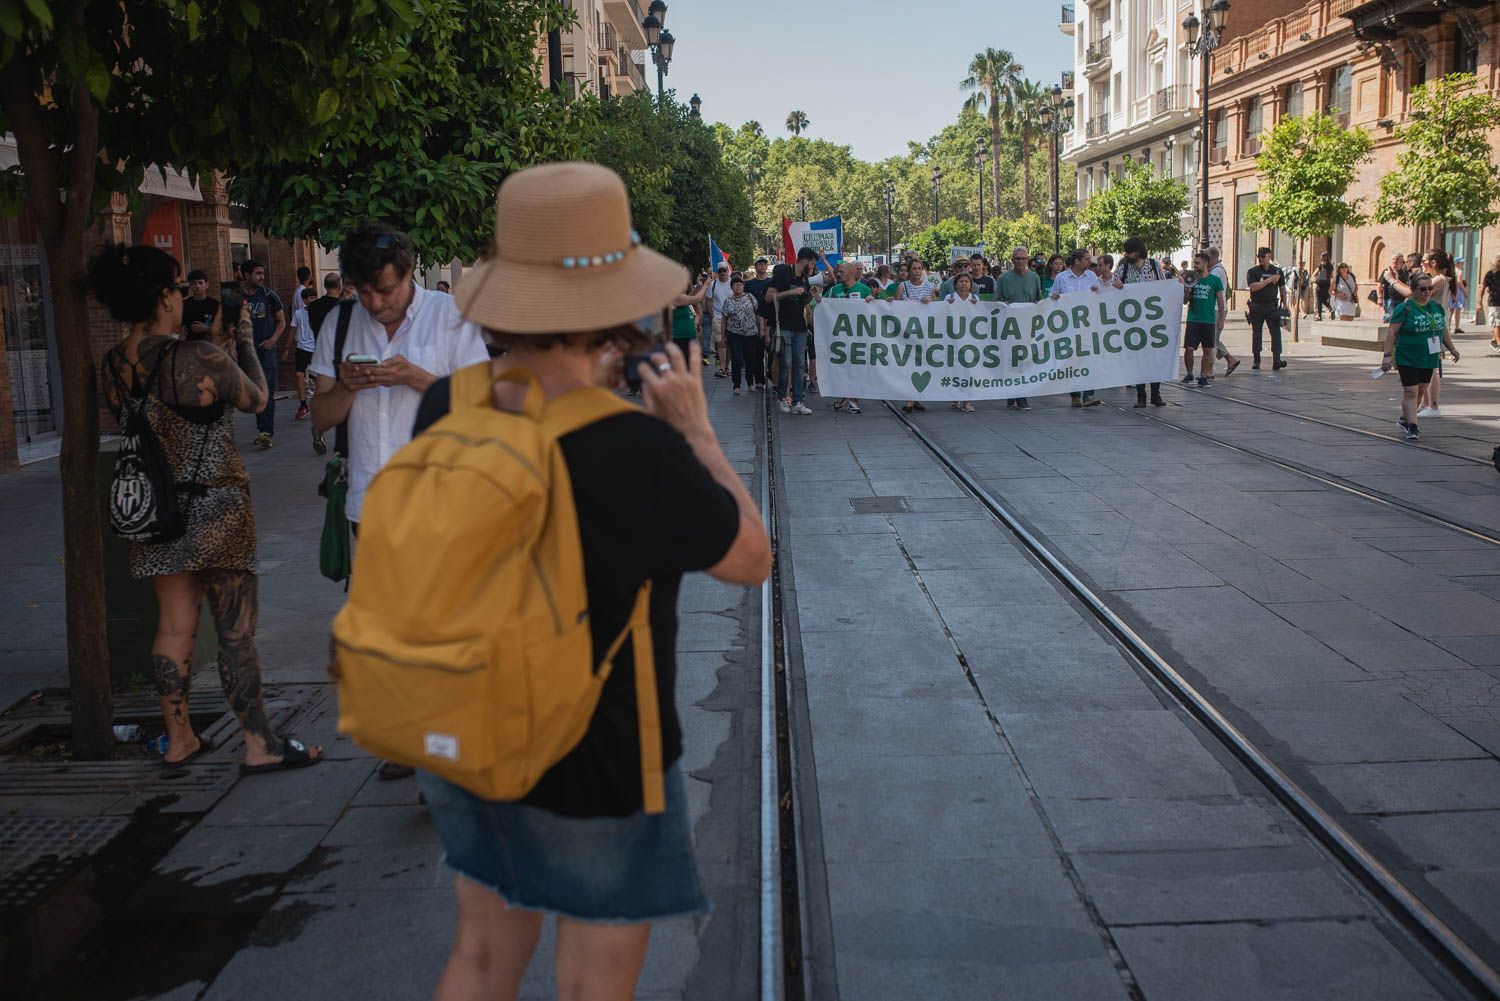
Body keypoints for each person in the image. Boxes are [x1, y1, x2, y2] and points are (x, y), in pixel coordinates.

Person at [400, 161, 771, 1001]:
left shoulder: (445, 406)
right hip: (607, 752)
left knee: (481, 959)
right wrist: (698, 431)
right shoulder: (636, 447)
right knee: (592, 986)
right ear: (612, 309)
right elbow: (750, 557)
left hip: (474, 732)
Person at [90, 243, 321, 773]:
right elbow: (259, 399)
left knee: (173, 625)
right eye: (174, 289)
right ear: (163, 298)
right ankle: (259, 744)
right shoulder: (196, 357)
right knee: (235, 630)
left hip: (155, 511)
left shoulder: (112, 366)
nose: (179, 297)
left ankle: (179, 739)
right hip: (216, 505)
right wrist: (240, 336)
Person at [1382, 270, 1458, 441]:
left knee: (1421, 391)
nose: (1427, 293)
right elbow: (1391, 333)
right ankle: (1413, 426)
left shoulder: (1437, 308)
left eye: (1429, 289)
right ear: (1414, 290)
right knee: (1410, 392)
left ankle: (1405, 419)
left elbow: (1443, 330)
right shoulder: (1405, 308)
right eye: (1422, 289)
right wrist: (1387, 355)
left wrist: (1452, 348)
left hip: (1429, 357)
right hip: (1407, 356)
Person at [1049, 248, 1105, 408]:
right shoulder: (1062, 278)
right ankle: (1075, 395)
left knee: (1089, 359)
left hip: (1088, 325)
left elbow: (1101, 295)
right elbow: (1052, 298)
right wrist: (1054, 298)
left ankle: (1088, 394)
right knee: (1073, 360)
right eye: (1086, 259)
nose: (1089, 262)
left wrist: (1097, 291)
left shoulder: (1092, 276)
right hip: (1069, 326)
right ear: (1077, 261)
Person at [1114, 237, 1166, 407]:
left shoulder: (1153, 266)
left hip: (1152, 321)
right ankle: (1141, 395)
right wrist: (1117, 286)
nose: (1128, 255)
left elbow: (1164, 287)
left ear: (1139, 251)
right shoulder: (1123, 268)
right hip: (1133, 322)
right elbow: (1113, 286)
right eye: (1126, 252)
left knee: (1154, 358)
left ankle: (1156, 394)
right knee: (1137, 358)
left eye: (1131, 252)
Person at [241, 259, 285, 449]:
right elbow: (228, 324)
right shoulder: (235, 296)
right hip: (245, 352)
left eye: (262, 273)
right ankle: (262, 428)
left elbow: (282, 321)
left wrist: (273, 340)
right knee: (255, 393)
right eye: (257, 273)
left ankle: (266, 431)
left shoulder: (269, 295)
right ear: (246, 275)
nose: (262, 277)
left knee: (267, 390)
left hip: (266, 352)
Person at [766, 258, 814, 415]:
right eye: (811, 262)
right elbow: (769, 297)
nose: (812, 266)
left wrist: (811, 296)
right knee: (786, 364)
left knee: (800, 364)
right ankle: (782, 397)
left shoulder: (804, 279)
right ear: (804, 261)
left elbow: (802, 303)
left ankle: (797, 401)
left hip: (800, 328)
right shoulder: (783, 275)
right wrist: (790, 292)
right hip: (785, 326)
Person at [998, 247, 1041, 412]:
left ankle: (1017, 393)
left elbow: (1038, 299)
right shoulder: (1004, 278)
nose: (1020, 262)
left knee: (1025, 359)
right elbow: (997, 300)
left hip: (1028, 325)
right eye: (1017, 259)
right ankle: (1018, 395)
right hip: (1010, 326)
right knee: (1012, 359)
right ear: (1012, 260)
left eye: (1023, 259)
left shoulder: (1034, 277)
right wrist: (1004, 305)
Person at [826, 261, 871, 414]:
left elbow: (875, 310)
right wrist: (818, 301)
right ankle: (842, 395)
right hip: (838, 338)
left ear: (851, 273)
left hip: (858, 338)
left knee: (855, 368)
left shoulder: (864, 290)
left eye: (841, 272)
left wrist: (872, 301)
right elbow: (820, 305)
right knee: (840, 367)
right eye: (838, 272)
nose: (838, 274)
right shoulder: (834, 290)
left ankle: (851, 399)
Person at [1183, 250, 1224, 388]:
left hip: (1208, 320)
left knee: (1207, 349)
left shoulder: (1215, 280)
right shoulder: (1191, 279)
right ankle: (1189, 373)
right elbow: (1184, 301)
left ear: (1206, 263)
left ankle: (1203, 375)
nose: (1195, 266)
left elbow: (1220, 300)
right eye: (1194, 263)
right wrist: (1187, 290)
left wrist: (1221, 319)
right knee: (1189, 348)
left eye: (1197, 263)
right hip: (1193, 319)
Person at [1246, 247, 1288, 369]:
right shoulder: (1253, 271)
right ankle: (1256, 359)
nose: (1261, 259)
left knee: (1275, 332)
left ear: (1269, 257)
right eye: (1259, 257)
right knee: (1257, 333)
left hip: (1272, 305)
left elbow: (1282, 288)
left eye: (1264, 257)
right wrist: (1269, 280)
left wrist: (1285, 303)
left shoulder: (1277, 271)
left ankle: (1277, 359)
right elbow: (1253, 287)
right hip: (1257, 305)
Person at [723, 275, 762, 395]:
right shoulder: (728, 301)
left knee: (750, 359)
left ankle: (750, 382)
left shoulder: (750, 297)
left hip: (751, 333)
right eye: (736, 285)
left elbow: (759, 312)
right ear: (732, 287)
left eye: (740, 285)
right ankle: (736, 385)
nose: (738, 287)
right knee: (737, 358)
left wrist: (762, 328)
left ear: (743, 286)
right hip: (734, 333)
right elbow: (724, 319)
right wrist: (723, 335)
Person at [292, 286, 319, 420]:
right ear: (304, 300)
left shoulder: (320, 312)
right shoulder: (298, 313)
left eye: (315, 297)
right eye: (310, 298)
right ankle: (303, 405)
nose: (313, 300)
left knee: (318, 377)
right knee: (299, 375)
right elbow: (292, 329)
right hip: (302, 347)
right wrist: (287, 348)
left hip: (317, 348)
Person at [706, 263, 734, 378]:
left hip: (732, 318)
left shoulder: (733, 283)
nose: (722, 273)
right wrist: (712, 316)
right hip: (718, 317)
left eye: (724, 270)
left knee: (729, 344)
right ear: (717, 273)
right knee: (720, 342)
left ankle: (727, 366)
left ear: (728, 271)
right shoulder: (713, 284)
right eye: (720, 271)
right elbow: (708, 301)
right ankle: (722, 367)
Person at [181, 269, 219, 341]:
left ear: (206, 285)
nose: (197, 286)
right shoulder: (184, 304)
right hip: (190, 345)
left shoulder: (215, 304)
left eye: (200, 283)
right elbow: (182, 330)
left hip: (211, 346)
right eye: (194, 283)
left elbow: (223, 329)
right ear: (190, 285)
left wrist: (207, 328)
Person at [1378, 252, 1410, 323]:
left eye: (1397, 259)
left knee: (1398, 319)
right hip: (1390, 300)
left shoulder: (1404, 273)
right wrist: (1379, 298)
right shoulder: (1387, 271)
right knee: (1389, 317)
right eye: (1393, 259)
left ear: (1401, 262)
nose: (1395, 261)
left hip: (1401, 300)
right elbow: (1379, 284)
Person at [1481, 254, 1500, 355]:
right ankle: (1498, 344)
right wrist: (1479, 302)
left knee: (1498, 324)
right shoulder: (1491, 274)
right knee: (1497, 323)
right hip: (1494, 302)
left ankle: (1494, 340)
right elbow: (1483, 287)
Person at [1313, 252, 1333, 320]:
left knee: (1319, 300)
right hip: (1327, 284)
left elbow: (1314, 274)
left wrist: (1314, 281)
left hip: (1320, 283)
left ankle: (1319, 316)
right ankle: (1330, 309)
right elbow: (1331, 276)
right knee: (1323, 299)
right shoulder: (1330, 266)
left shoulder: (1321, 265)